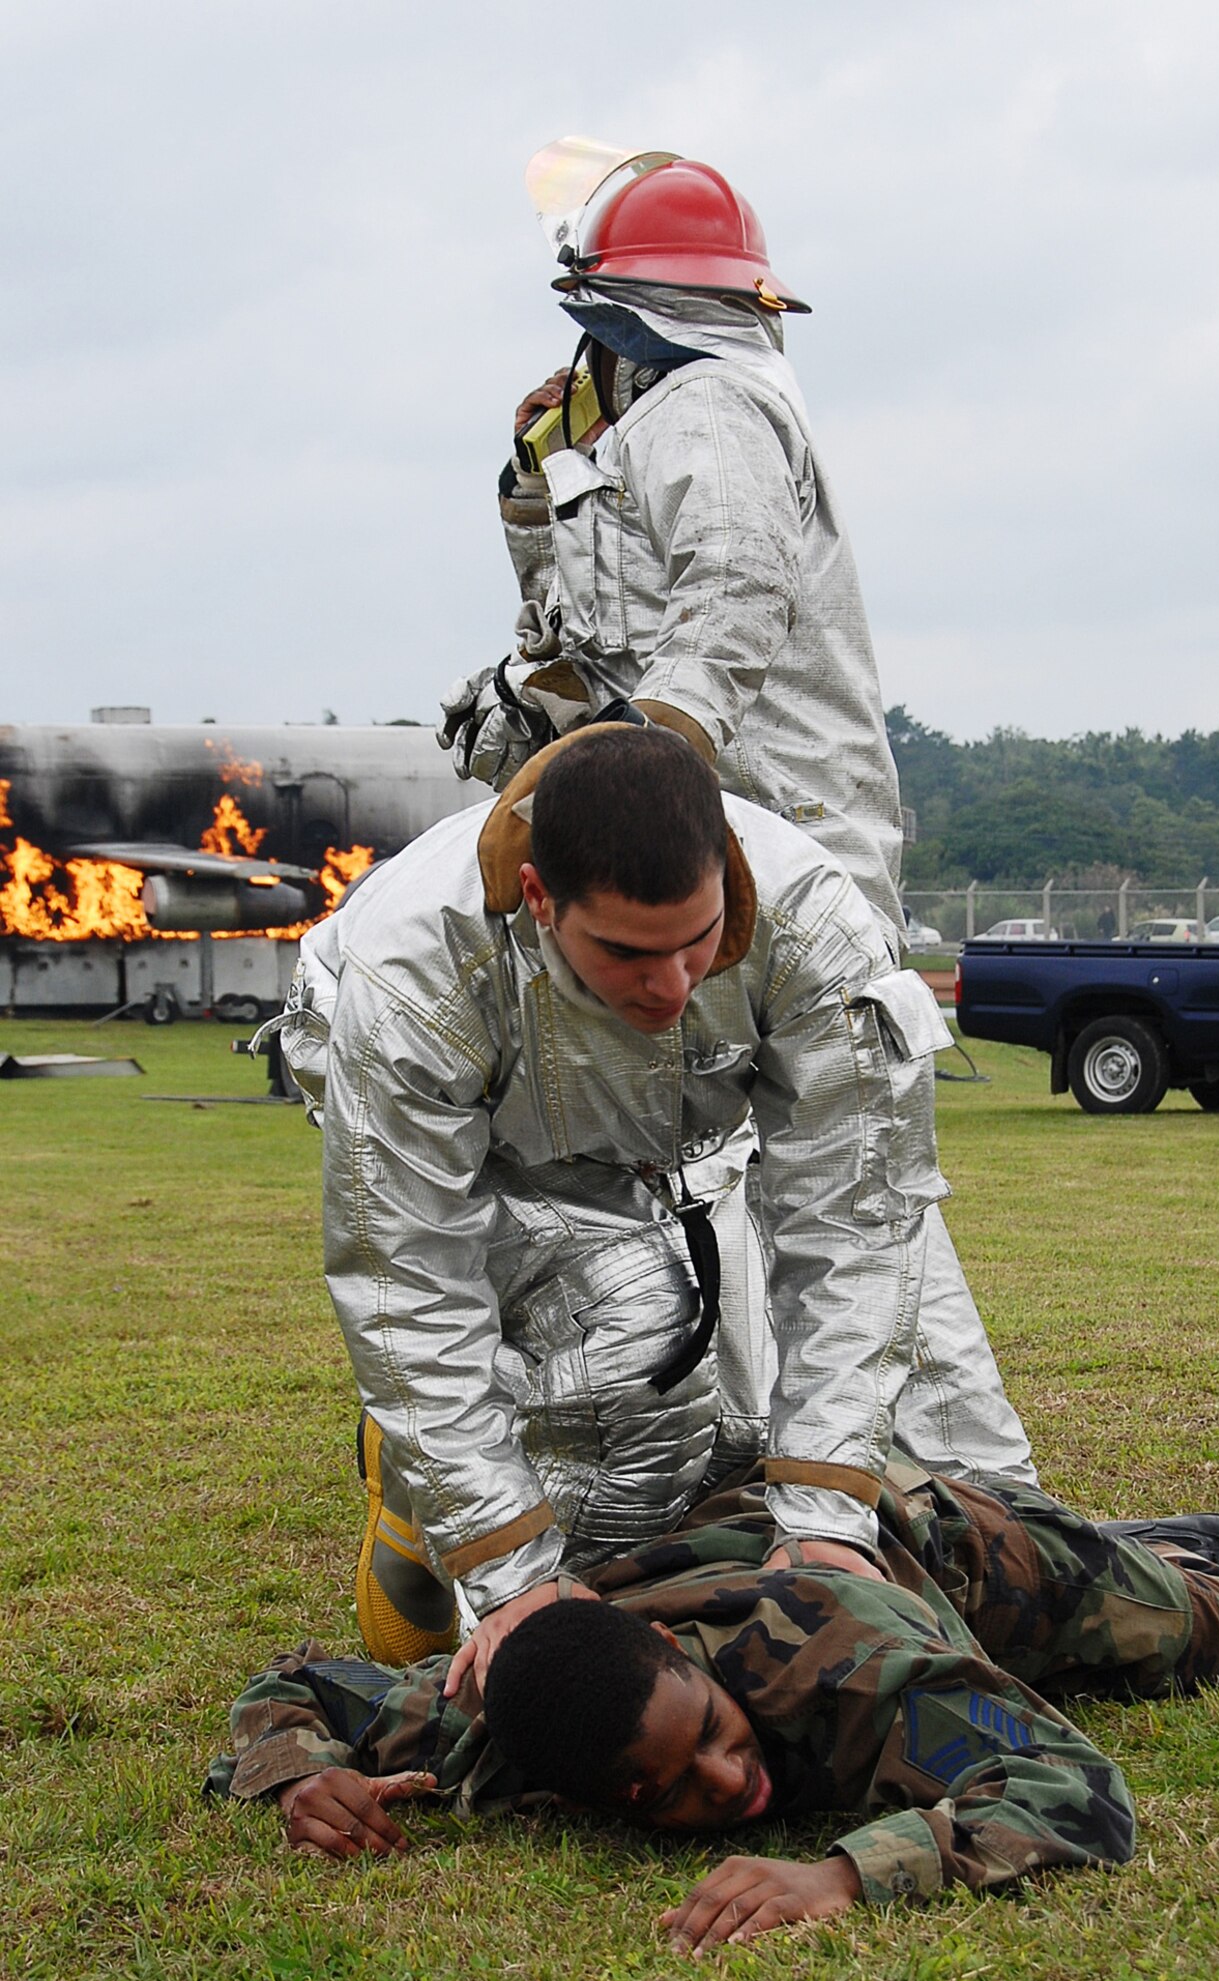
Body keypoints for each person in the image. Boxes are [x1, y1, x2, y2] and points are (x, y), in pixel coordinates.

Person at [440, 141, 1036, 1490]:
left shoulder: (704, 413)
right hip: (710, 867)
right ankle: (816, 1475)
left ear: (603, 305)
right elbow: (582, 655)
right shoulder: (637, 440)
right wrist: (531, 510)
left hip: (772, 864)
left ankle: (977, 1505)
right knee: (733, 1183)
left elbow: (728, 598)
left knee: (847, 1196)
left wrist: (648, 779)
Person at [283, 725, 967, 1677]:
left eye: (696, 944)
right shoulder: (413, 980)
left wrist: (826, 1522)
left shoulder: (815, 931)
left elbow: (853, 1224)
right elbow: (407, 1277)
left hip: (660, 1131)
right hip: (479, 1120)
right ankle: (421, 1506)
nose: (670, 985)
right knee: (640, 1376)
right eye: (626, 954)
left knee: (738, 1439)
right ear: (538, 899)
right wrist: (511, 1577)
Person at [208, 1450, 1219, 1954]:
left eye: (715, 1736)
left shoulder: (841, 1659)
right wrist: (305, 1773)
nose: (730, 1782)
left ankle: (1151, 1545)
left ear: (683, 1663)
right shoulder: (490, 1720)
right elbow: (296, 1685)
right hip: (726, 1543)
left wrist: (841, 1871)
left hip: (943, 1552)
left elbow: (1074, 1786)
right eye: (664, 1790)